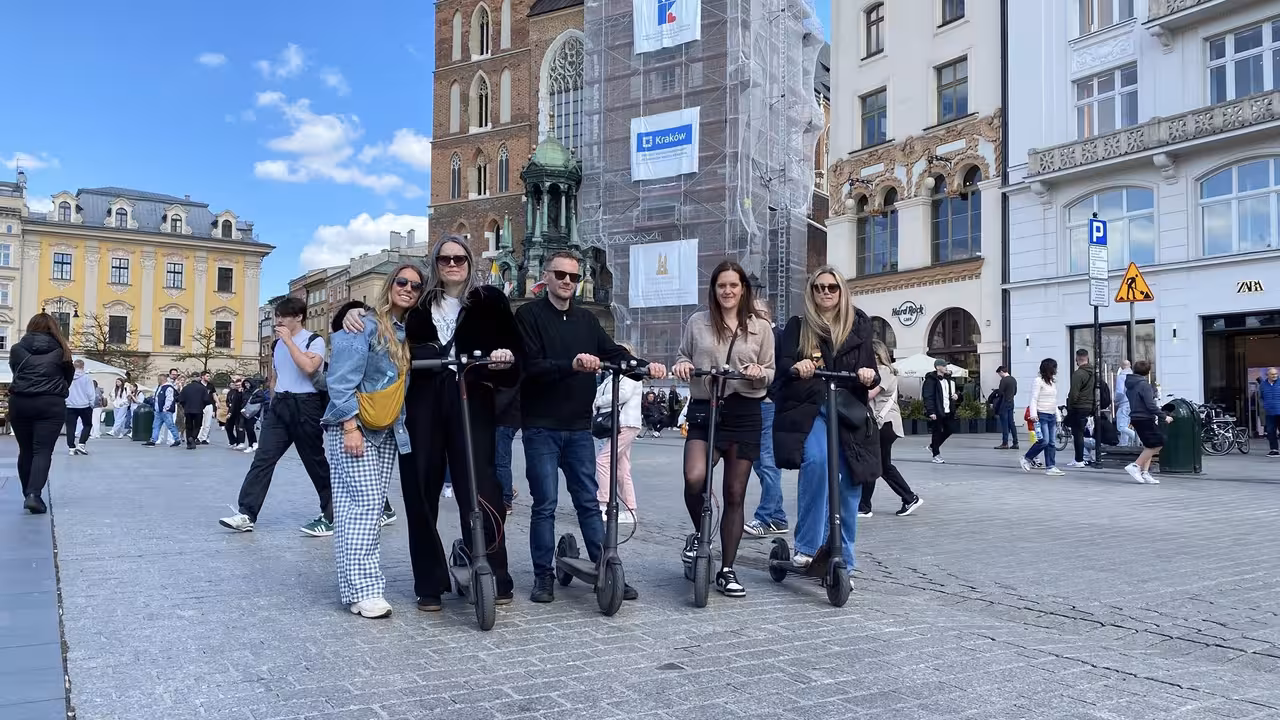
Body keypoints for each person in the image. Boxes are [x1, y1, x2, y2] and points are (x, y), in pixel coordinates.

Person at [339, 238, 518, 610]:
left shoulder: (490, 300)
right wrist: (351, 314)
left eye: (459, 258)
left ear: (470, 262)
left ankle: (494, 573)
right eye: (444, 258)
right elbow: (383, 322)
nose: (452, 264)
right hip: (422, 406)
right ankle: (430, 582)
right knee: (420, 490)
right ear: (434, 263)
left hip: (473, 401)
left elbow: (516, 352)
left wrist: (504, 358)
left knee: (483, 489)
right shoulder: (419, 304)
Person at [516, 251, 665, 604]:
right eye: (561, 275)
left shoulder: (586, 320)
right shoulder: (529, 315)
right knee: (545, 504)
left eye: (573, 277)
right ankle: (542, 577)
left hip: (579, 427)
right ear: (546, 277)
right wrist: (571, 364)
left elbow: (613, 354)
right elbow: (531, 366)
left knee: (588, 500)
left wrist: (645, 367)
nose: (568, 281)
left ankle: (606, 569)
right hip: (541, 426)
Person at [323, 264, 422, 618]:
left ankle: (353, 592)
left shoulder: (407, 331)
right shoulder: (363, 325)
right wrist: (349, 426)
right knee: (365, 508)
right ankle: (367, 589)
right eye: (402, 282)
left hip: (388, 430)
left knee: (358, 511)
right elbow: (339, 380)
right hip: (356, 428)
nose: (408, 288)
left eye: (415, 285)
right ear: (389, 284)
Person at [672, 260, 774, 598]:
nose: (728, 291)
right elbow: (682, 357)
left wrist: (761, 372)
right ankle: (702, 535)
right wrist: (683, 365)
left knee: (734, 492)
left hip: (745, 411)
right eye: (721, 286)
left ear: (743, 288)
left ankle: (727, 569)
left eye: (733, 285)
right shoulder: (698, 322)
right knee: (694, 477)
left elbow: (772, 371)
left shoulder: (760, 327)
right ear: (714, 290)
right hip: (706, 408)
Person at [772, 265, 877, 581]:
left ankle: (845, 553)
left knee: (849, 481)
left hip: (847, 410)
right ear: (811, 291)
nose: (826, 293)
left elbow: (871, 367)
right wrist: (798, 365)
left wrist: (869, 375)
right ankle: (806, 547)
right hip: (812, 408)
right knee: (817, 462)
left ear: (842, 291)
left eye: (832, 287)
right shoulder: (799, 326)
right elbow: (784, 364)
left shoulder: (858, 326)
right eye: (819, 288)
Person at [219, 296, 344, 536]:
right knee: (263, 458)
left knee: (314, 461)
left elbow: (308, 368)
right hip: (281, 405)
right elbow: (275, 376)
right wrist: (274, 400)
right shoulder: (276, 346)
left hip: (306, 405)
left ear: (298, 317)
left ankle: (332, 512)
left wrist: (288, 341)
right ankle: (247, 513)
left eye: (284, 316)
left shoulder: (314, 341)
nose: (279, 320)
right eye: (277, 316)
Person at [9, 314, 75, 514]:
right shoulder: (62, 351)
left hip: (20, 402)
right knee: (42, 451)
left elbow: (16, 372)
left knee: (25, 450)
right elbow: (68, 376)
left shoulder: (17, 349)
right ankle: (33, 494)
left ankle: (27, 493)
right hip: (50, 403)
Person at [744, 299, 788, 538]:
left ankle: (764, 517)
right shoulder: (749, 336)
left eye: (761, 312)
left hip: (768, 404)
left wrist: (771, 395)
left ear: (769, 314)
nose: (757, 316)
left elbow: (783, 370)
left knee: (768, 462)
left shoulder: (777, 336)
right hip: (752, 404)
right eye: (753, 313)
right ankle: (778, 517)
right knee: (760, 464)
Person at [864, 339, 922, 517]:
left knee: (878, 464)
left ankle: (908, 497)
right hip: (885, 423)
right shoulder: (884, 370)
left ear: (876, 354)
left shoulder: (884, 371)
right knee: (879, 464)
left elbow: (869, 394)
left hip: (885, 423)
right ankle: (865, 505)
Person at [593, 342, 643, 522]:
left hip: (626, 423)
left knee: (603, 460)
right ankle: (631, 511)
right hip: (622, 423)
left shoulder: (630, 375)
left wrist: (599, 401)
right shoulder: (614, 375)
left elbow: (621, 395)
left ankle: (603, 502)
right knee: (622, 469)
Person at [1124, 360, 1173, 484]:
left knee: (1149, 445)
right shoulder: (1144, 385)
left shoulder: (1130, 383)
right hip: (1144, 418)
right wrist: (1164, 416)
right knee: (1159, 443)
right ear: (1147, 372)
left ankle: (1145, 473)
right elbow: (1150, 405)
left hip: (1136, 417)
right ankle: (1135, 466)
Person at [1021, 359, 1066, 476]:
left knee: (1051, 442)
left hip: (1051, 415)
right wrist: (1033, 414)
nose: (1056, 370)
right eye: (1054, 367)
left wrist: (1058, 417)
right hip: (1041, 415)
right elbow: (1034, 398)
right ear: (1049, 369)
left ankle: (1051, 466)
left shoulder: (1052, 384)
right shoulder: (1038, 381)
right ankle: (1027, 458)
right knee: (1044, 441)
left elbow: (1054, 401)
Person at [922, 358, 957, 463]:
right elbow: (928, 397)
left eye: (946, 365)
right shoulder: (930, 380)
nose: (946, 367)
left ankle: (933, 446)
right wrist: (931, 411)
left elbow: (951, 394)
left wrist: (956, 396)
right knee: (936, 432)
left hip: (948, 409)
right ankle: (936, 454)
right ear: (938, 367)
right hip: (937, 410)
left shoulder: (949, 380)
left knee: (950, 429)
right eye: (944, 366)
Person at [493, 386, 520, 514]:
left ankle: (506, 500)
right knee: (500, 459)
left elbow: (505, 396)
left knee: (500, 461)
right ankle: (506, 492)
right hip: (508, 418)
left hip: (505, 419)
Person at [1066, 348, 1095, 468]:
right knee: (1085, 433)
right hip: (1090, 406)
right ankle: (1085, 457)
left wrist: (1070, 407)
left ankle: (1079, 459)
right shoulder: (1093, 372)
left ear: (1077, 359)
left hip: (1079, 406)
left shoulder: (1078, 374)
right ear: (1087, 358)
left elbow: (1074, 393)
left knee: (1077, 434)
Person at [64, 360, 95, 456]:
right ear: (83, 366)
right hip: (84, 405)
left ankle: (71, 448)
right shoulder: (86, 378)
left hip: (70, 405)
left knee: (70, 427)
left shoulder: (67, 378)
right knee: (87, 425)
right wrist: (91, 403)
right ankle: (81, 444)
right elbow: (90, 392)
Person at [144, 373, 181, 447]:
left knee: (170, 425)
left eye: (159, 379)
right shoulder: (160, 387)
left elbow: (169, 399)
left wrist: (165, 408)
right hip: (158, 410)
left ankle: (177, 439)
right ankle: (153, 439)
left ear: (162, 379)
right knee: (156, 425)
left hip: (165, 411)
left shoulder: (168, 388)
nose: (158, 381)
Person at [178, 372, 212, 450]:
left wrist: (185, 406)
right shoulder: (202, 388)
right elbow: (207, 400)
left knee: (188, 426)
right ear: (199, 378)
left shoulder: (186, 388)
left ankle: (189, 443)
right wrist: (202, 406)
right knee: (197, 426)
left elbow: (180, 399)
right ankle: (193, 438)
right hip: (198, 410)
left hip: (188, 410)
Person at [993, 366, 1019, 450]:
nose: (999, 376)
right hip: (1011, 402)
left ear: (1001, 371)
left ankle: (1005, 443)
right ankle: (1015, 442)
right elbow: (1015, 392)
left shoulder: (1003, 380)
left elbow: (1000, 392)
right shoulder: (1013, 379)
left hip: (1004, 404)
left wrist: (996, 391)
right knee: (1011, 423)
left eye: (999, 374)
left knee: (1004, 424)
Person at [1259, 367, 1280, 457]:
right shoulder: (1263, 385)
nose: (1274, 376)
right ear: (1267, 375)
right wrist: (1264, 406)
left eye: (1276, 374)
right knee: (1270, 431)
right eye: (1272, 374)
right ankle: (1274, 450)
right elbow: (1261, 397)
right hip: (1269, 412)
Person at [1115, 360, 1135, 447]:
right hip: (1132, 403)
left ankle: (1137, 437)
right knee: (1126, 424)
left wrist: (1116, 400)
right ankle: (1124, 443)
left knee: (1121, 426)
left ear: (1121, 366)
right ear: (1130, 365)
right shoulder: (1134, 376)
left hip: (1123, 403)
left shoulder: (1121, 377)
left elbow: (1120, 392)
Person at [226, 377, 247, 447]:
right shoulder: (231, 392)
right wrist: (229, 405)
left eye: (239, 385)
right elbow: (228, 401)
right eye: (236, 385)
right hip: (232, 411)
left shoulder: (244, 392)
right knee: (228, 427)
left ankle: (240, 442)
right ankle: (232, 441)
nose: (238, 387)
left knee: (239, 427)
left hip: (240, 412)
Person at [197, 371, 216, 445]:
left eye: (209, 376)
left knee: (207, 423)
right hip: (200, 405)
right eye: (207, 376)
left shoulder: (211, 385)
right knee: (200, 422)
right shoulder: (198, 385)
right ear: (202, 376)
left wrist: (217, 403)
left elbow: (214, 395)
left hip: (209, 404)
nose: (209, 377)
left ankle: (204, 438)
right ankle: (198, 437)